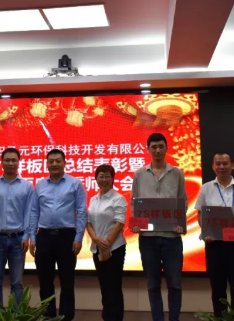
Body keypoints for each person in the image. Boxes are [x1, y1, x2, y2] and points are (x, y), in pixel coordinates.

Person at [130, 133, 186, 321]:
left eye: (161, 146)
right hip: (148, 239)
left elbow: (182, 202)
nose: (157, 150)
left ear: (166, 148)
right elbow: (135, 202)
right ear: (148, 149)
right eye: (153, 147)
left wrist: (180, 224)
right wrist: (137, 223)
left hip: (172, 238)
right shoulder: (139, 174)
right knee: (153, 285)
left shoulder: (177, 173)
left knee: (175, 285)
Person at [29, 149, 87, 321]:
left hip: (67, 237)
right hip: (44, 236)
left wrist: (78, 238)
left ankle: (65, 317)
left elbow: (81, 211)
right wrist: (32, 236)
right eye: (51, 161)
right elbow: (34, 212)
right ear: (47, 164)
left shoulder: (75, 184)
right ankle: (48, 316)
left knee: (67, 282)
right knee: (45, 281)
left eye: (58, 161)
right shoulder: (40, 185)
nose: (54, 164)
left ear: (64, 163)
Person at [195, 153, 234, 315]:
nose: (222, 167)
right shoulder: (206, 188)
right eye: (218, 164)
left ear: (232, 166)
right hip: (215, 245)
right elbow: (200, 214)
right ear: (213, 167)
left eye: (225, 163)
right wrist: (206, 231)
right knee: (217, 289)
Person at [0, 147, 34, 305]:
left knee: (17, 283)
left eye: (14, 160)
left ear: (19, 162)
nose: (10, 163)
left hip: (18, 239)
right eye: (7, 160)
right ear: (1, 162)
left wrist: (26, 236)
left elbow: (28, 213)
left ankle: (16, 315)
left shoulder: (26, 186)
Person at [86, 164, 127, 321]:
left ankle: (116, 318)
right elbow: (88, 223)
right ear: (96, 179)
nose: (104, 180)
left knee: (114, 286)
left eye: (107, 176)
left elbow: (120, 222)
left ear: (113, 179)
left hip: (115, 248)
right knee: (104, 286)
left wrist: (107, 243)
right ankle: (107, 316)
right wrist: (96, 239)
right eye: (100, 177)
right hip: (97, 248)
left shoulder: (118, 199)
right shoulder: (93, 199)